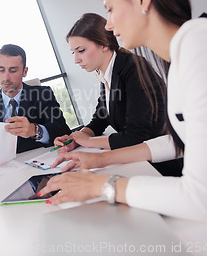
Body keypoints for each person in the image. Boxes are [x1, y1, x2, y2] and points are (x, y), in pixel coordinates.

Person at [39, 0, 207, 243]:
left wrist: (103, 186)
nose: (108, 24)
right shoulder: (182, 52)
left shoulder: (202, 44)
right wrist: (96, 162)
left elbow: (203, 198)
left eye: (110, 8)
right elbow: (178, 143)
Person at [56, 13, 182, 176]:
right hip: (139, 162)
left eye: (81, 50)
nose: (76, 60)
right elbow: (102, 117)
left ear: (104, 44)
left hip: (163, 166)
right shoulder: (107, 72)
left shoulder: (133, 69)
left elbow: (134, 137)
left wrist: (89, 142)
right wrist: (77, 138)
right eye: (73, 52)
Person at [0, 44, 71, 170]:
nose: (6, 77)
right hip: (2, 172)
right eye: (1, 70)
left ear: (25, 71)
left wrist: (35, 131)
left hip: (38, 168)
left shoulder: (42, 94)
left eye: (13, 71)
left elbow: (64, 132)